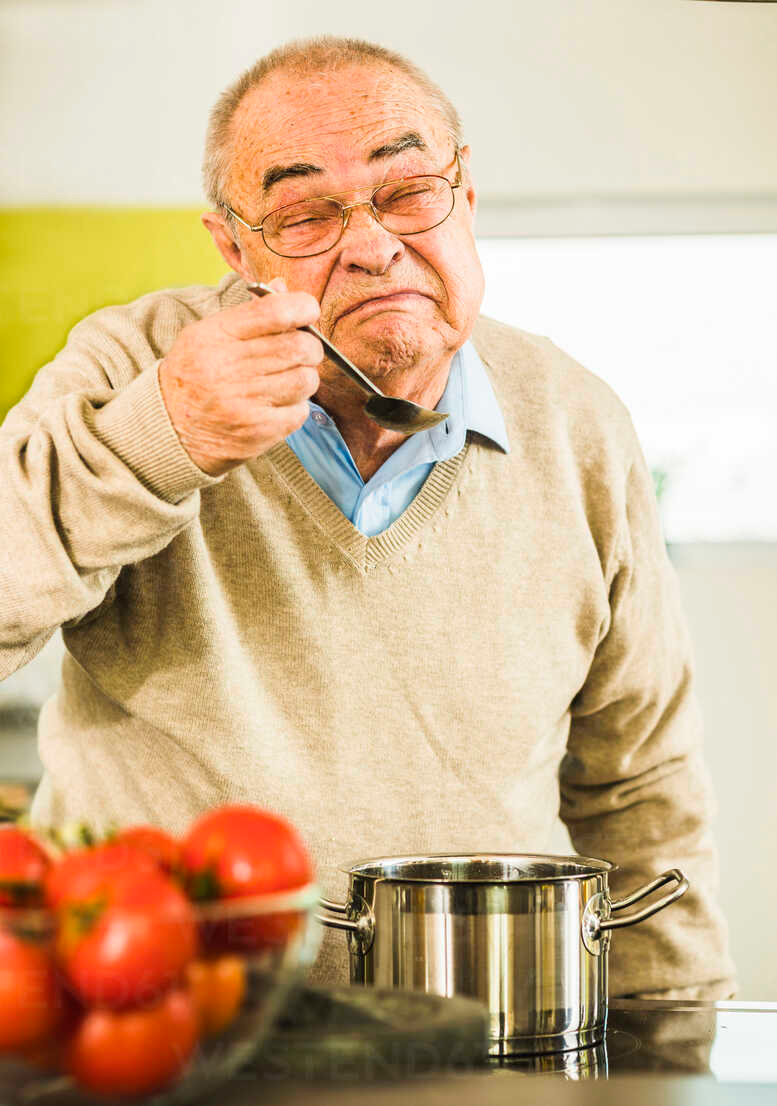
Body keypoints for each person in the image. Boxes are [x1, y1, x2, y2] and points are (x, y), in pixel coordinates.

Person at [0, 36, 735, 997]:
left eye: (406, 192)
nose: (372, 243)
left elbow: (640, 785)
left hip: (483, 1024)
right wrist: (163, 437)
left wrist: (673, 1028)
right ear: (234, 247)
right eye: (305, 213)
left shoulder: (578, 419)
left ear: (464, 199)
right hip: (160, 1021)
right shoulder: (130, 364)